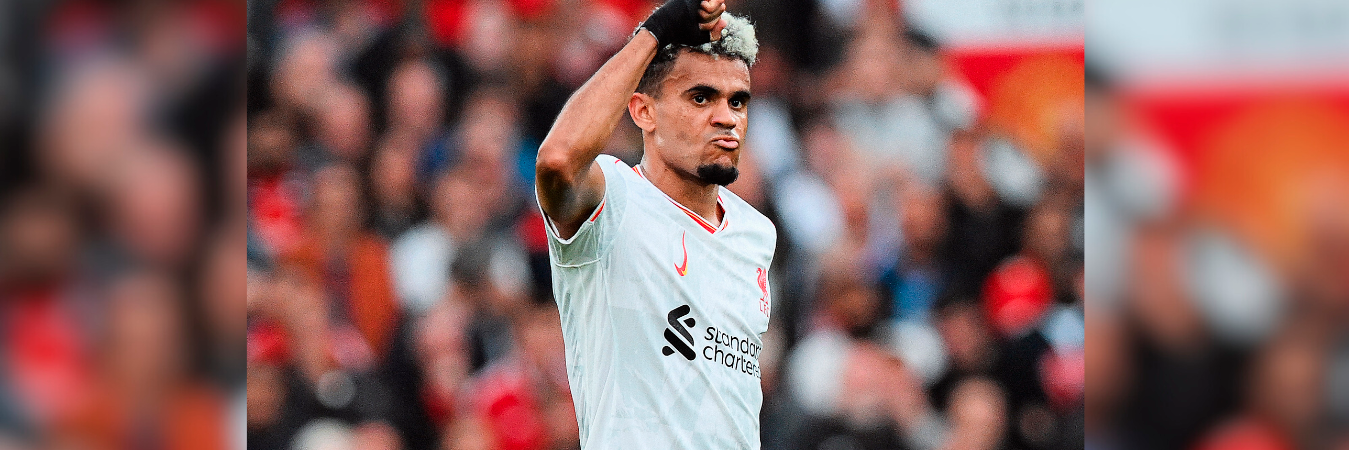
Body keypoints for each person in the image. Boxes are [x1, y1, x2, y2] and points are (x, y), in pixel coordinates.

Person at [532, 0, 775, 448]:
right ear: (643, 111)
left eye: (737, 100)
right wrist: (654, 32)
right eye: (701, 97)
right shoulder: (614, 202)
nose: (727, 117)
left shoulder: (756, 233)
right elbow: (557, 161)